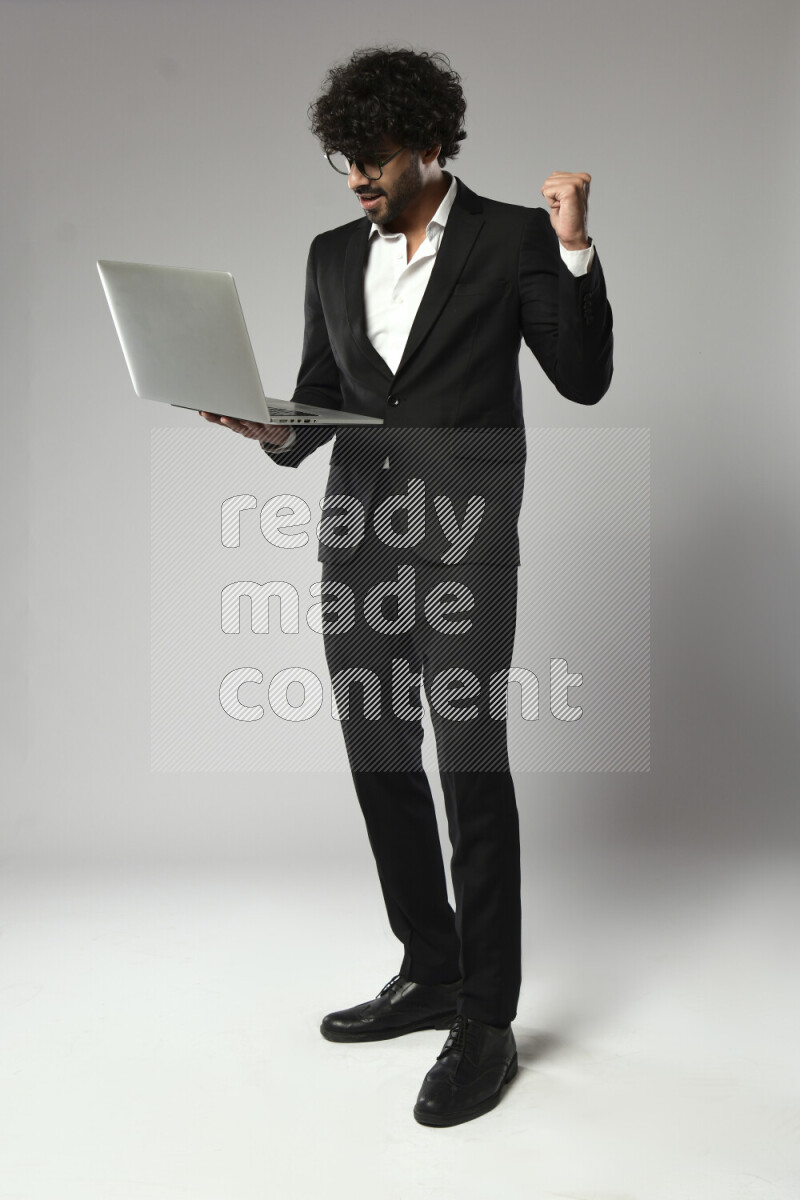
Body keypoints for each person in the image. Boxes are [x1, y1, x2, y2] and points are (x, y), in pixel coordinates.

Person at [200, 45, 613, 1127]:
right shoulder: (331, 253)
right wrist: (268, 430)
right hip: (358, 536)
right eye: (342, 160)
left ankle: (486, 1015)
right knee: (380, 754)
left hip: (463, 532)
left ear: (428, 145)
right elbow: (322, 401)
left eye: (370, 159)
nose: (352, 180)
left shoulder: (513, 238)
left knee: (469, 761)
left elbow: (581, 378)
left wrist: (572, 251)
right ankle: (428, 970)